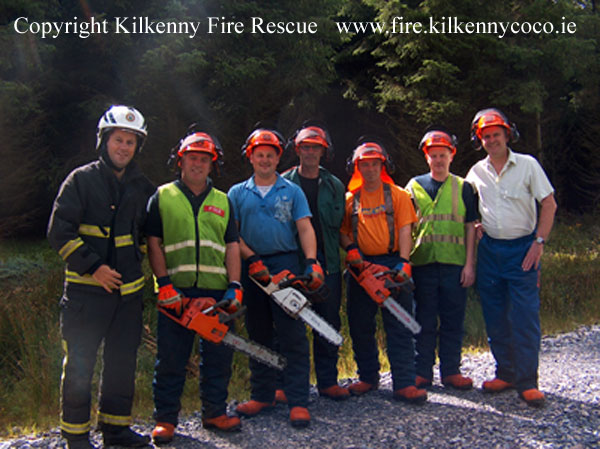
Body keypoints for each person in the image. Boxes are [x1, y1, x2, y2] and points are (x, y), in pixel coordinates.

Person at [47, 105, 155, 449]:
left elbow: (151, 236)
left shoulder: (143, 187)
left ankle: (116, 430)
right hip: (85, 295)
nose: (124, 147)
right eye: (118, 140)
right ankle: (76, 437)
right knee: (80, 365)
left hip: (128, 297)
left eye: (130, 142)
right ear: (104, 141)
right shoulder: (80, 180)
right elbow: (59, 232)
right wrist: (93, 267)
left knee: (122, 365)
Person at [145, 130, 243, 443]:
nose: (198, 164)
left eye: (204, 159)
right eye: (192, 158)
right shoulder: (162, 196)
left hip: (216, 292)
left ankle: (214, 411)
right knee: (171, 358)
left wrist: (235, 286)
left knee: (218, 358)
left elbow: (231, 246)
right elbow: (154, 243)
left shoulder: (223, 201)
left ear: (212, 165)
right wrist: (164, 284)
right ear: (180, 161)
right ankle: (166, 420)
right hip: (176, 290)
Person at [228, 127, 324, 427]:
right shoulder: (236, 193)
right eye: (260, 155)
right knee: (259, 333)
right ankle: (263, 393)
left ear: (277, 157)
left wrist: (311, 262)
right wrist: (252, 258)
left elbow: (305, 228)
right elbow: (232, 235)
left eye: (270, 155)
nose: (265, 160)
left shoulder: (291, 191)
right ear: (251, 157)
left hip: (285, 263)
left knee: (292, 334)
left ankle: (297, 399)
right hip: (251, 266)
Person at [466, 108, 557, 406]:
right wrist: (477, 224)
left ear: (507, 135)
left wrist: (539, 241)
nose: (492, 140)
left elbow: (549, 204)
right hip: (491, 251)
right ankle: (505, 372)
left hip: (523, 249)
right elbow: (468, 209)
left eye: (496, 134)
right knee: (494, 315)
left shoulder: (528, 165)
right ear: (480, 140)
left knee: (524, 316)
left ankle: (528, 381)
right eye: (486, 136)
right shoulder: (476, 172)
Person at [340, 138, 427, 403]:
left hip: (391, 263)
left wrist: (403, 262)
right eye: (364, 165)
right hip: (361, 265)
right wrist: (352, 251)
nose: (369, 169)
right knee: (360, 324)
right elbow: (342, 233)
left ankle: (404, 382)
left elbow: (405, 230)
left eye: (374, 164)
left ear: (383, 165)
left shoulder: (398, 195)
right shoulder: (350, 200)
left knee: (399, 324)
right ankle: (368, 377)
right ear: (357, 167)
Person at [405, 127, 477, 391]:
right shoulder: (413, 186)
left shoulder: (464, 187)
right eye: (433, 155)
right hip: (422, 264)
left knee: (452, 320)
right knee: (423, 320)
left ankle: (451, 372)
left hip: (454, 265)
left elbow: (471, 226)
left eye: (442, 155)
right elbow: (405, 227)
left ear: (452, 155)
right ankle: (422, 372)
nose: (438, 160)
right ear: (426, 157)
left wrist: (470, 264)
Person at [281, 122, 349, 401]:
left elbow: (342, 228)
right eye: (305, 147)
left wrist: (352, 251)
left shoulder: (334, 186)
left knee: (328, 323)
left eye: (315, 148)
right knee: (289, 328)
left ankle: (328, 381)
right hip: (294, 264)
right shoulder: (283, 183)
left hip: (330, 263)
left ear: (324, 152)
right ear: (297, 150)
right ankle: (289, 385)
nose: (310, 152)